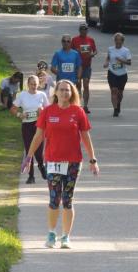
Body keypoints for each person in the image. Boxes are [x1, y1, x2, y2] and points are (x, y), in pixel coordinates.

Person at [23, 80, 100, 249]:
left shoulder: (78, 112)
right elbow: (38, 136)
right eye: (62, 90)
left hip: (73, 162)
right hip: (53, 161)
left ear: (72, 93)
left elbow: (86, 137)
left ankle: (66, 236)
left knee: (67, 199)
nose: (65, 93)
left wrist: (92, 159)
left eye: (68, 90)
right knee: (54, 198)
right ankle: (51, 233)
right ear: (55, 93)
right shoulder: (47, 112)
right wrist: (28, 157)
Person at [10, 75, 49, 184]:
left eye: (35, 84)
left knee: (39, 151)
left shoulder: (42, 95)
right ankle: (31, 176)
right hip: (27, 125)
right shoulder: (22, 95)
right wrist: (19, 114)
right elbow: (13, 108)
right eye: (31, 84)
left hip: (39, 126)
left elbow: (49, 110)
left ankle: (42, 167)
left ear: (38, 85)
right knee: (29, 150)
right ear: (28, 85)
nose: (33, 86)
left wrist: (42, 112)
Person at [103, 32, 131, 117]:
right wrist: (106, 63)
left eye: (120, 40)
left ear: (122, 41)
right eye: (116, 40)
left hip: (122, 74)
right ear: (114, 41)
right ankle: (115, 109)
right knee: (114, 91)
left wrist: (121, 60)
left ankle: (118, 105)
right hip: (112, 73)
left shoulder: (126, 51)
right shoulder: (110, 49)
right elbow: (108, 57)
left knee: (120, 93)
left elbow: (129, 62)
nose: (118, 42)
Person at [72, 23, 97, 113]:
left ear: (87, 30)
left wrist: (92, 54)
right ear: (79, 30)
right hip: (78, 66)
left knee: (86, 85)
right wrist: (76, 51)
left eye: (85, 29)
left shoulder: (90, 40)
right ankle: (79, 105)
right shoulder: (74, 40)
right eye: (82, 29)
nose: (83, 31)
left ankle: (85, 105)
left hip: (87, 65)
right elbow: (70, 50)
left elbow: (95, 51)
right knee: (78, 85)